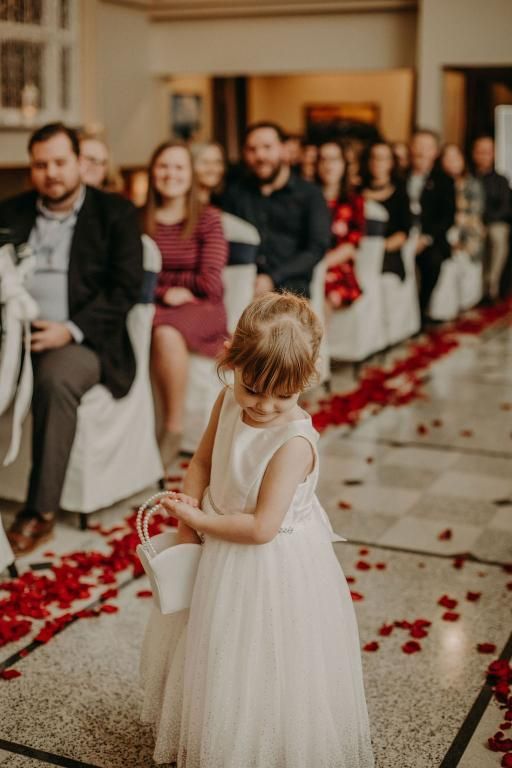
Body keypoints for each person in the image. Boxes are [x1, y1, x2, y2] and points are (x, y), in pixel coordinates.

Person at [140, 292, 375, 768]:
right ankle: (217, 734)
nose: (265, 406)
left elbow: (262, 526)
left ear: (306, 379)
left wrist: (198, 520)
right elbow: (203, 460)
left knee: (263, 657)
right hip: (218, 543)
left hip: (266, 562)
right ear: (231, 359)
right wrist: (190, 516)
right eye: (253, 389)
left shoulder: (293, 442)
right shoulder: (228, 399)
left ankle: (264, 746)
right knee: (215, 649)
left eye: (284, 395)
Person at [0, 122, 143, 554]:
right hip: (13, 334)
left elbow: (126, 288)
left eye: (60, 162)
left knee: (54, 379)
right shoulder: (10, 212)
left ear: (79, 163)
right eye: (41, 164)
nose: (51, 173)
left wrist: (70, 329)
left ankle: (40, 512)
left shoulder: (114, 214)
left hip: (85, 342)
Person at [143, 141, 228, 469]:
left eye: (178, 167)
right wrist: (165, 291)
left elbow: (210, 282)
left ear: (191, 175)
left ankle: (173, 429)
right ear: (152, 173)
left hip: (204, 309)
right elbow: (134, 275)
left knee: (164, 333)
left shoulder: (208, 219)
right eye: (163, 166)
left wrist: (164, 285)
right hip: (157, 305)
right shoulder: (140, 218)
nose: (170, 174)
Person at [222, 121, 331, 298]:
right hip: (242, 288)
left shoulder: (310, 194)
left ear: (284, 149)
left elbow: (316, 248)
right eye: (252, 149)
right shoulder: (235, 193)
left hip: (292, 292)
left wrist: (272, 278)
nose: (260, 155)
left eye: (267, 147)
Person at [407, 129, 456, 321]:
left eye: (426, 147)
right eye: (417, 146)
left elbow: (447, 217)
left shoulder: (444, 181)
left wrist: (425, 238)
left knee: (432, 262)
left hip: (430, 239)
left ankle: (420, 311)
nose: (421, 151)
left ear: (435, 152)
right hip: (403, 235)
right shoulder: (401, 177)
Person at [316, 140, 365, 309]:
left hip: (338, 264)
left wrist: (320, 265)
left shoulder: (353, 201)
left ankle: (320, 335)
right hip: (308, 259)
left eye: (334, 159)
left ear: (344, 164)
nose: (328, 165)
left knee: (331, 294)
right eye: (323, 159)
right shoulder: (307, 197)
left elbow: (352, 245)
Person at [360, 141, 411, 280]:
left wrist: (376, 249)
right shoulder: (356, 190)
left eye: (383, 158)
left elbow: (404, 233)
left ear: (391, 162)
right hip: (357, 251)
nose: (377, 162)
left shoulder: (400, 192)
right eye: (374, 157)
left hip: (387, 254)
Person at [471, 135, 511, 300]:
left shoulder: (500, 180)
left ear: (493, 154)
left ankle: (491, 285)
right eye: (480, 152)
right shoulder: (469, 178)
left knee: (497, 236)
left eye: (487, 152)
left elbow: (506, 208)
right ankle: (473, 290)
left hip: (495, 223)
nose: (483, 156)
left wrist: (485, 221)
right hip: (471, 223)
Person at [439, 143, 485, 262]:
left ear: (463, 159)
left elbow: (476, 212)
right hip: (444, 232)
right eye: (447, 158)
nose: (451, 162)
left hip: (467, 230)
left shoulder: (472, 184)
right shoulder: (437, 184)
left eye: (455, 158)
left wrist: (460, 220)